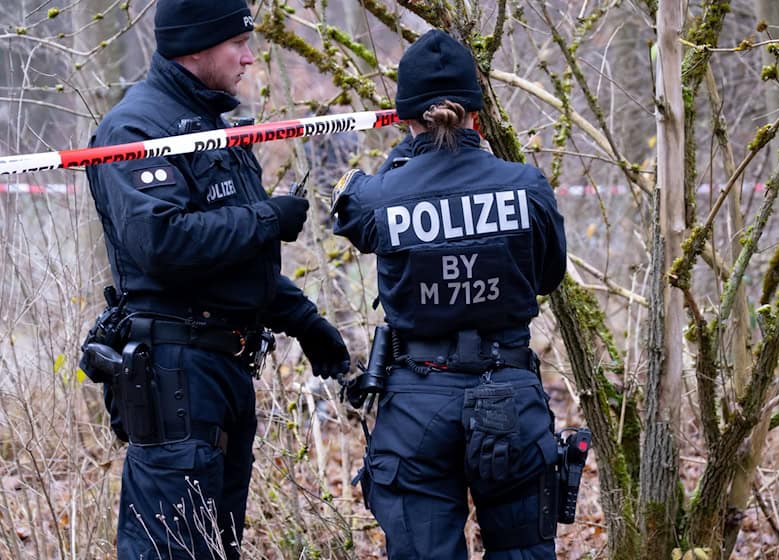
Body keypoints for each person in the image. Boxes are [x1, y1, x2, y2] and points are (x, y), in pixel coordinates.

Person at [81, 1, 350, 557]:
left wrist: (304, 321)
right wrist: (267, 217)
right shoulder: (135, 128)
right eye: (238, 44)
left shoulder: (208, 126)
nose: (250, 58)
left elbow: (235, 260)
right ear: (196, 47)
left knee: (216, 546)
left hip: (224, 371)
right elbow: (162, 244)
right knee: (171, 548)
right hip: (176, 375)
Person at [331, 29, 567, 559]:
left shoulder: (382, 196)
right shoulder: (525, 186)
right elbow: (548, 277)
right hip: (508, 389)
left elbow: (346, 208)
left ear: (406, 120)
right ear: (477, 116)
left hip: (417, 402)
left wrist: (407, 153)